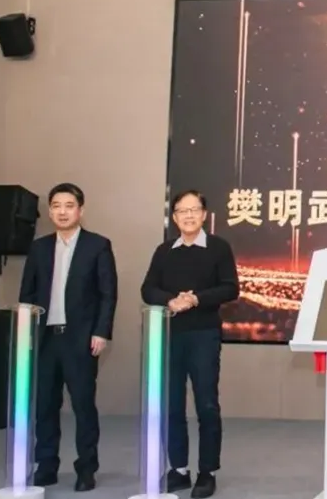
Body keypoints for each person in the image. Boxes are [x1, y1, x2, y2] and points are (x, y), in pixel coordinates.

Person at [19, 183, 118, 492]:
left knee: (83, 406)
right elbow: (27, 293)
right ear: (50, 212)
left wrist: (101, 331)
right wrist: (26, 332)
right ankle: (46, 465)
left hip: (81, 339)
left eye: (69, 206)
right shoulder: (39, 247)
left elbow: (107, 294)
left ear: (80, 210)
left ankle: (86, 468)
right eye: (56, 206)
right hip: (45, 338)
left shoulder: (97, 245)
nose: (62, 212)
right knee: (44, 406)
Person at [141, 190, 238, 499]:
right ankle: (179, 469)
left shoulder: (218, 247)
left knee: (206, 404)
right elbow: (147, 289)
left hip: (204, 335)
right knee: (172, 404)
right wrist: (171, 300)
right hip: (170, 334)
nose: (189, 216)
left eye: (194, 210)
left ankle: (207, 472)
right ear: (174, 217)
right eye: (182, 211)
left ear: (204, 215)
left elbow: (230, 288)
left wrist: (196, 299)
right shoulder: (164, 251)